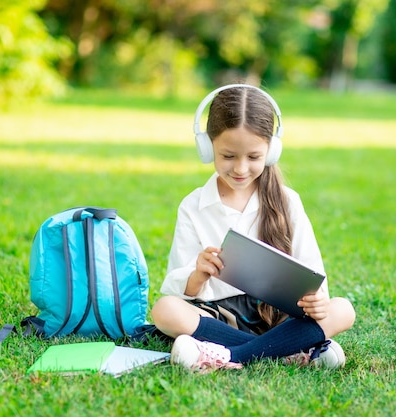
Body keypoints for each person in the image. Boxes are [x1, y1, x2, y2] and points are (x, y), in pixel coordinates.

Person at [151, 84, 355, 372]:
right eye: (228, 156)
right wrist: (197, 274)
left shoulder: (287, 202)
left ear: (271, 152)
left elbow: (315, 280)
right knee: (165, 310)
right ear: (208, 148)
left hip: (279, 315)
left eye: (254, 157)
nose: (241, 169)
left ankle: (227, 355)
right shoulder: (193, 205)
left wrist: (318, 302)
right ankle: (290, 349)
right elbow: (177, 287)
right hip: (219, 315)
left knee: (343, 309)